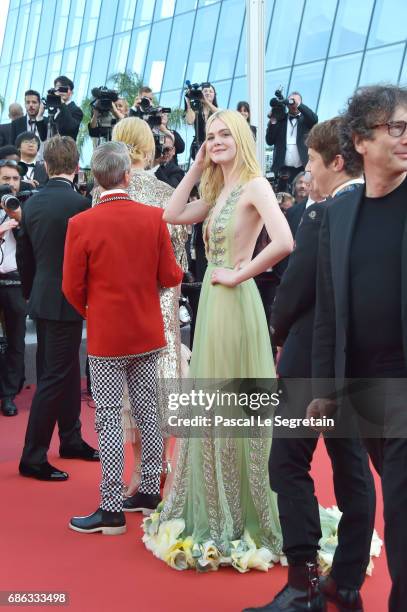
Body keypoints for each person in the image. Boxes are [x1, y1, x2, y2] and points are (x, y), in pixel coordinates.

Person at [142, 109, 293, 569]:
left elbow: (285, 240)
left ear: (243, 137)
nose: (218, 141)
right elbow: (171, 213)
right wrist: (196, 164)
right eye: (211, 136)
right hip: (212, 302)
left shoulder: (255, 184)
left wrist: (240, 273)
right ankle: (217, 500)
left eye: (227, 134)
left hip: (234, 299)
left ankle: (244, 511)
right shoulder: (217, 187)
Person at [245, 119, 374, 612]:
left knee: (287, 463)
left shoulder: (324, 214)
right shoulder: (378, 208)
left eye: (312, 163)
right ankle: (346, 583)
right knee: (353, 469)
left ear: (336, 162)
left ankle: (302, 584)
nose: (307, 176)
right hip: (361, 364)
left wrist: (276, 333)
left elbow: (294, 290)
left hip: (308, 364)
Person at [308, 85, 407, 612]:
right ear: (362, 140)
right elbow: (328, 313)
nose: (406, 137)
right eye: (397, 127)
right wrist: (325, 392)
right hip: (363, 388)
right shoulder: (339, 215)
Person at [63, 141, 183, 534]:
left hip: (106, 337)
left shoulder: (81, 224)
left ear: (93, 178)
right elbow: (171, 277)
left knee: (110, 419)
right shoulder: (153, 218)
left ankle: (111, 506)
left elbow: (71, 287)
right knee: (149, 412)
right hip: (147, 332)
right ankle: (149, 490)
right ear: (128, 174)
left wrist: (93, 311)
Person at [95, 117, 187, 503]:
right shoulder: (167, 192)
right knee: (161, 385)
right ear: (149, 148)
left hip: (120, 302)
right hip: (162, 301)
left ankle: (138, 476)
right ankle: (162, 468)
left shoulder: (105, 192)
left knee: (128, 397)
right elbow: (177, 261)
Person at [17, 135, 98, 482]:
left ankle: (71, 439)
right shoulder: (82, 205)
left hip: (42, 298)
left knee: (65, 371)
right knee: (54, 376)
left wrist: (31, 292)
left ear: (46, 166)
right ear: (77, 166)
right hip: (70, 298)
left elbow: (25, 258)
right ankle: (33, 457)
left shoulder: (30, 204)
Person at [0, 160, 27, 416]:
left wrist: (18, 217)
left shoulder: (26, 207)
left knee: (16, 341)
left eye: (15, 179)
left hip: (16, 282)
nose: (10, 183)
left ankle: (8, 395)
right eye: (5, 178)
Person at [266, 92, 318, 191]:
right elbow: (269, 140)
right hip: (282, 170)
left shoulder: (306, 120)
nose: (293, 104)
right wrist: (273, 119)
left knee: (302, 196)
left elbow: (314, 119)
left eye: (296, 102)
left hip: (302, 169)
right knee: (282, 198)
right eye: (291, 101)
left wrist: (298, 104)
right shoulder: (280, 119)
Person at [185, 82, 218, 159]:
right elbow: (190, 121)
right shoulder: (196, 109)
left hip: (214, 145)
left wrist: (206, 101)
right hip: (198, 147)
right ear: (201, 93)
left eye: (210, 91)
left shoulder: (217, 110)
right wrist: (188, 102)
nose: (208, 93)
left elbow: (221, 115)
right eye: (205, 91)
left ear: (214, 95)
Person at [45, 76, 83, 141]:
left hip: (67, 149)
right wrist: (39, 115)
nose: (61, 91)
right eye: (59, 88)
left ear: (71, 92)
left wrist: (62, 104)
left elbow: (70, 127)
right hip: (51, 148)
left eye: (65, 88)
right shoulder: (53, 108)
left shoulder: (77, 110)